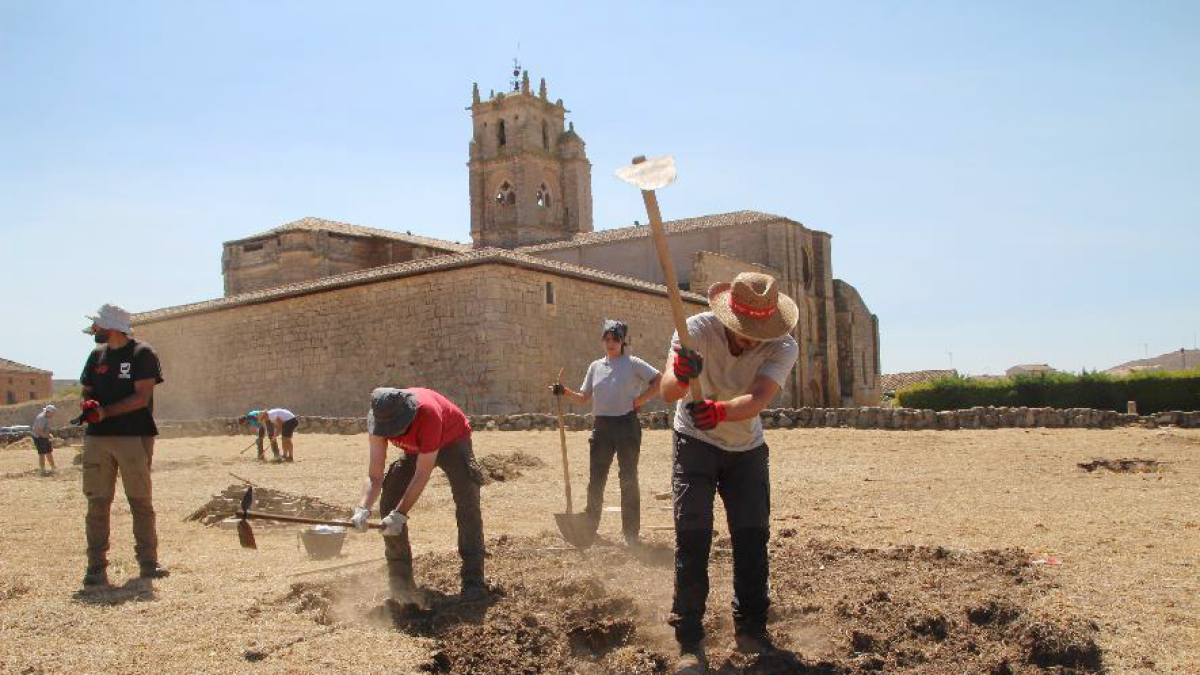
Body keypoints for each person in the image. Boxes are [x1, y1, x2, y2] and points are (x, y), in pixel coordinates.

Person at [658, 272, 799, 673]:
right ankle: (689, 640)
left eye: (760, 331)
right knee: (693, 535)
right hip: (694, 444)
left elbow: (757, 398)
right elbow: (668, 391)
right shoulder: (696, 330)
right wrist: (682, 373)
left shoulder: (783, 346)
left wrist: (719, 411)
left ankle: (751, 631)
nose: (752, 339)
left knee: (752, 539)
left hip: (745, 451)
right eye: (745, 330)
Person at [350, 387, 486, 602]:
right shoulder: (378, 419)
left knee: (467, 503)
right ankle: (401, 585)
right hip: (416, 449)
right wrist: (362, 508)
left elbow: (422, 473)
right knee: (389, 502)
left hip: (453, 440)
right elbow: (375, 476)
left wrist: (400, 514)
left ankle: (473, 581)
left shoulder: (428, 414)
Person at [77, 303, 168, 586]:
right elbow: (87, 390)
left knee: (140, 501)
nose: (94, 330)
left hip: (133, 435)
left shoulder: (142, 354)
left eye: (99, 325)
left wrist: (106, 412)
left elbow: (141, 398)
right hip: (97, 438)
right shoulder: (96, 356)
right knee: (97, 502)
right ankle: (95, 568)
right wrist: (89, 406)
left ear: (112, 327)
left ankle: (148, 563)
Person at [551, 319, 661, 545]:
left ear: (622, 341)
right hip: (602, 427)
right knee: (596, 480)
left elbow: (658, 381)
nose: (610, 343)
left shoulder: (633, 363)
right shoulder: (595, 366)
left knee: (628, 478)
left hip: (626, 426)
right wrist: (563, 391)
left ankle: (631, 534)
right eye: (607, 338)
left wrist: (639, 400)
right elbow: (584, 398)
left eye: (615, 338)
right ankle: (588, 530)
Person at [31, 404, 57, 475]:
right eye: (53, 413)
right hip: (38, 437)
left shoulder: (47, 416)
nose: (53, 415)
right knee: (42, 453)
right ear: (49, 412)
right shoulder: (41, 418)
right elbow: (38, 431)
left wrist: (49, 435)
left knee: (49, 451)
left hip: (43, 435)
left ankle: (53, 467)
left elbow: (45, 428)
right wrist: (47, 436)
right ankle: (42, 470)